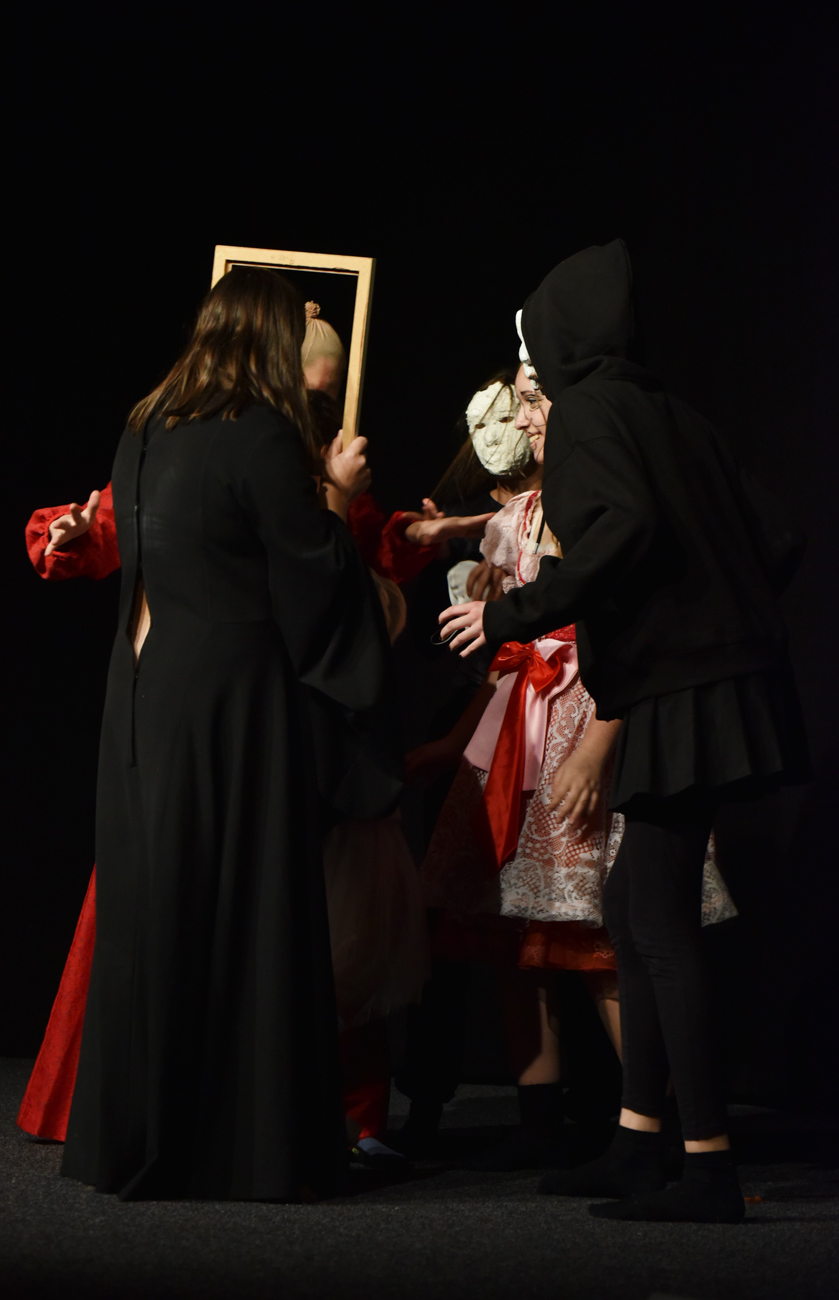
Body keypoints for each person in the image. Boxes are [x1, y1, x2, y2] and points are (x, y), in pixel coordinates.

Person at [439, 240, 809, 1223]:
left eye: (533, 357)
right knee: (631, 901)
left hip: (682, 690)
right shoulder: (672, 413)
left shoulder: (593, 410)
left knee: (658, 923)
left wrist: (512, 612)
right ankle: (639, 1143)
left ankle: (706, 1166)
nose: (531, 384)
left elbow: (624, 529)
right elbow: (778, 536)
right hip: (704, 683)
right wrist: (718, 615)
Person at [59, 266, 399, 1201]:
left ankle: (140, 1137)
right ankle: (239, 1148)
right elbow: (310, 584)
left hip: (141, 693)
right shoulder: (259, 435)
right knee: (245, 910)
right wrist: (337, 500)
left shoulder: (145, 425)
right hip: (233, 703)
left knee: (156, 907)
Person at [413, 367, 735, 1170]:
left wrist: (596, 745)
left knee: (597, 937)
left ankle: (659, 1123)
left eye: (532, 405)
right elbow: (504, 644)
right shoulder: (514, 517)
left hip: (584, 713)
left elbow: (622, 628)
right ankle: (542, 1119)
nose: (524, 423)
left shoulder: (597, 502)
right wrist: (458, 742)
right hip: (520, 725)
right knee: (514, 934)